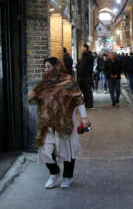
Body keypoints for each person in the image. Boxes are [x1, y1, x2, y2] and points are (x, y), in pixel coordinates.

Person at [28, 57, 91, 189]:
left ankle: (68, 176)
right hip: (47, 123)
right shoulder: (44, 83)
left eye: (48, 67)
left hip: (65, 122)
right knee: (45, 149)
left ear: (56, 67)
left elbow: (79, 99)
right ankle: (54, 173)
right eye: (45, 67)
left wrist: (84, 118)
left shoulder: (68, 81)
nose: (46, 70)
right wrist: (32, 95)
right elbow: (33, 98)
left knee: (67, 150)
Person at [77, 44, 94, 109]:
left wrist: (78, 65)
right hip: (84, 76)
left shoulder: (87, 56)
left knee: (87, 90)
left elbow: (82, 66)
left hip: (86, 76)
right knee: (85, 91)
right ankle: (87, 103)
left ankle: (89, 104)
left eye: (82, 47)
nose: (81, 49)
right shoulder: (85, 56)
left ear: (85, 48)